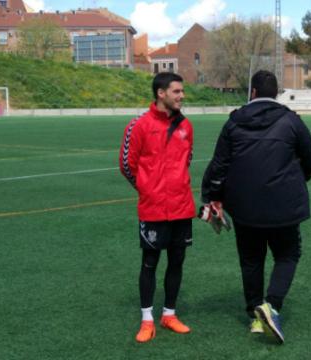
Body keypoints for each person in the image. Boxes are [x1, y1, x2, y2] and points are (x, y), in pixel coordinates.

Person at [201, 70, 311, 344]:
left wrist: (211, 196)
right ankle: (271, 306)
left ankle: (256, 312)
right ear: (276, 93)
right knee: (288, 255)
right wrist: (297, 179)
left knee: (251, 259)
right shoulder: (291, 120)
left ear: (252, 92)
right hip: (284, 204)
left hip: (244, 206)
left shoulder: (234, 122)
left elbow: (219, 164)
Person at [119, 72, 196, 343]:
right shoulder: (138, 125)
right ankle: (147, 319)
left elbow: (188, 160)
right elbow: (127, 165)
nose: (181, 96)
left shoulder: (186, 125)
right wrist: (148, 189)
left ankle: (169, 314)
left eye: (182, 91)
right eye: (177, 91)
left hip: (182, 208)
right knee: (149, 263)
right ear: (161, 93)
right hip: (153, 208)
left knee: (177, 262)